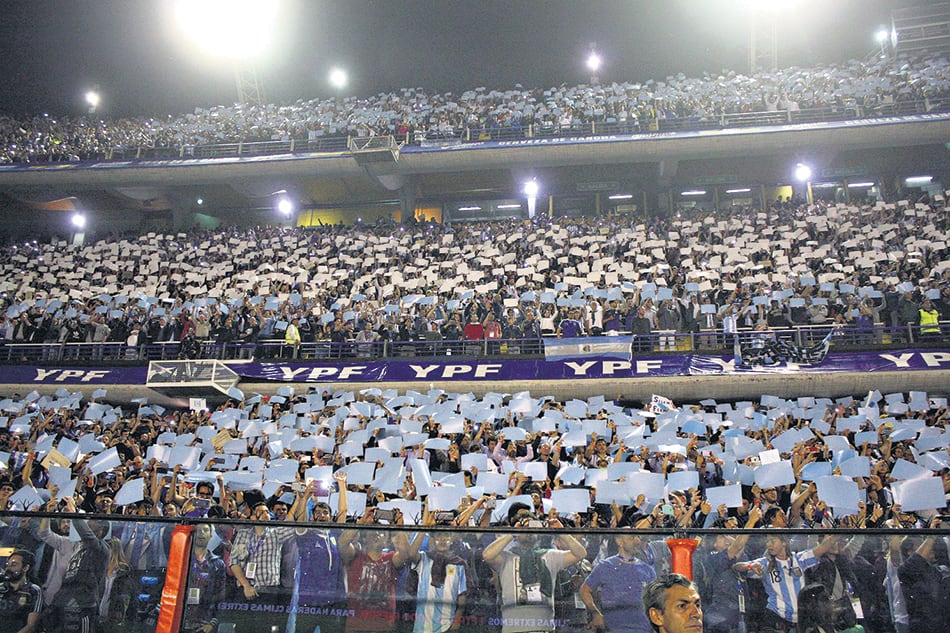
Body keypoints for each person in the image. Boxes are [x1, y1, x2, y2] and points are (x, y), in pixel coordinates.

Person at [481, 504, 587, 633]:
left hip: (544, 628)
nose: (529, 532)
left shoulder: (550, 556)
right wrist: (512, 532)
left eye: (532, 527)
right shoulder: (506, 557)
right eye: (525, 528)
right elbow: (487, 555)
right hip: (513, 629)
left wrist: (561, 531)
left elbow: (580, 554)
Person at [733, 534, 840, 633]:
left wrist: (839, 532)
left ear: (784, 542)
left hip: (801, 619)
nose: (768, 545)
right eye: (767, 542)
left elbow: (822, 547)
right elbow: (736, 567)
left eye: (772, 541)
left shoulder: (799, 559)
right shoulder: (765, 563)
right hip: (776, 618)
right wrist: (750, 566)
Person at [579, 529, 657, 633]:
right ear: (619, 542)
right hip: (613, 629)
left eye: (637, 537)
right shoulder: (605, 566)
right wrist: (595, 613)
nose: (637, 541)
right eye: (632, 538)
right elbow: (584, 590)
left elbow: (656, 601)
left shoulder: (647, 570)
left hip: (643, 630)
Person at [181, 524, 227, 633]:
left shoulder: (218, 564)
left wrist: (212, 623)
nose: (201, 533)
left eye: (205, 530)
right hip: (180, 620)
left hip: (204, 624)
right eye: (198, 530)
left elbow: (221, 596)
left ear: (211, 535)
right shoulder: (182, 558)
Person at [0, 549, 42, 633]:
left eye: (14, 565)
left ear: (25, 568)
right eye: (8, 564)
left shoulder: (33, 591)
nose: (8, 568)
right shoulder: (2, 587)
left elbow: (31, 625)